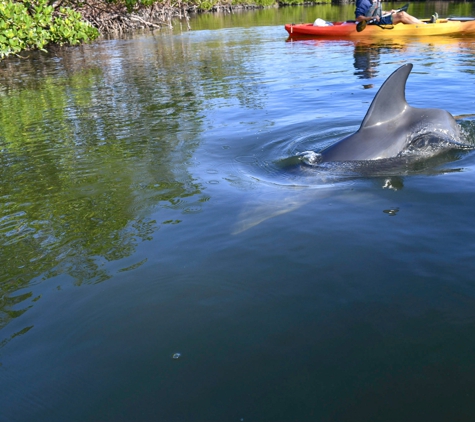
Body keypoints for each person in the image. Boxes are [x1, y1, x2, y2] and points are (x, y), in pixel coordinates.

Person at [355, 0, 437, 25]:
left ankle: (423, 23)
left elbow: (375, 11)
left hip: (378, 19)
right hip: (372, 22)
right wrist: (372, 18)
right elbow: (358, 18)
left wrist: (388, 12)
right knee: (401, 15)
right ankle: (424, 25)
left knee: (401, 14)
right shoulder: (363, 1)